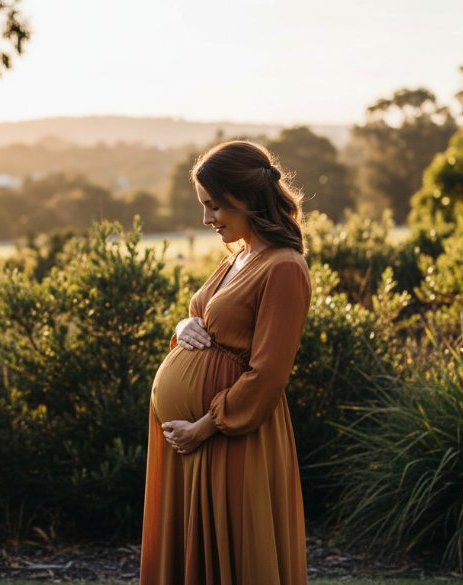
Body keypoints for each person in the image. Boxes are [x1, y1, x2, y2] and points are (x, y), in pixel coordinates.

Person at [140, 140, 312, 585]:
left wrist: (203, 426)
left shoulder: (283, 267)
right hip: (196, 440)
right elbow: (205, 320)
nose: (207, 219)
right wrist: (182, 326)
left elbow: (269, 373)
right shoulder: (237, 259)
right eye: (204, 206)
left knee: (232, 557)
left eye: (215, 206)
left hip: (232, 435)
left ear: (246, 198)